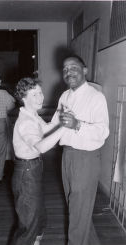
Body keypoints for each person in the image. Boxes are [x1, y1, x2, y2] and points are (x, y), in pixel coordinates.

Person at [51, 54, 109, 245]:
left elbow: (103, 132)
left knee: (78, 213)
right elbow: (53, 125)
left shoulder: (96, 97)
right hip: (67, 156)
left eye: (73, 67)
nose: (69, 72)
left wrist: (77, 125)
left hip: (86, 159)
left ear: (84, 70)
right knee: (77, 210)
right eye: (65, 69)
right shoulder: (64, 96)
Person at [11, 77, 66, 245]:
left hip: (33, 169)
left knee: (38, 216)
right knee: (29, 224)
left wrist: (59, 114)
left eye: (41, 93)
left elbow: (47, 128)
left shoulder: (32, 115)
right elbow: (41, 147)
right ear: (24, 98)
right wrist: (65, 127)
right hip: (26, 172)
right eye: (35, 95)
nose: (41, 97)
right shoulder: (26, 122)